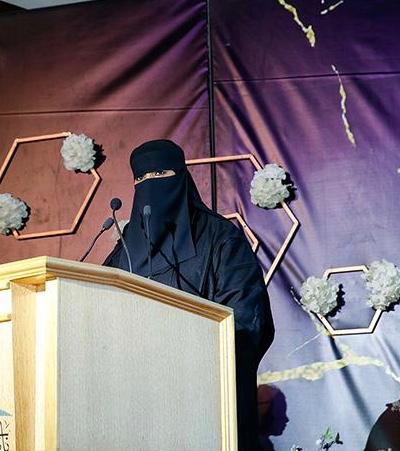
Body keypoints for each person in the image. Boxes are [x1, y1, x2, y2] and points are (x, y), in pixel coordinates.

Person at [104, 139, 275, 451]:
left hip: (205, 405)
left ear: (181, 177)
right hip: (135, 409)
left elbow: (247, 321)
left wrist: (185, 356)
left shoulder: (221, 239)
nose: (149, 185)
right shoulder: (124, 251)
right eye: (141, 178)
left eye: (160, 174)